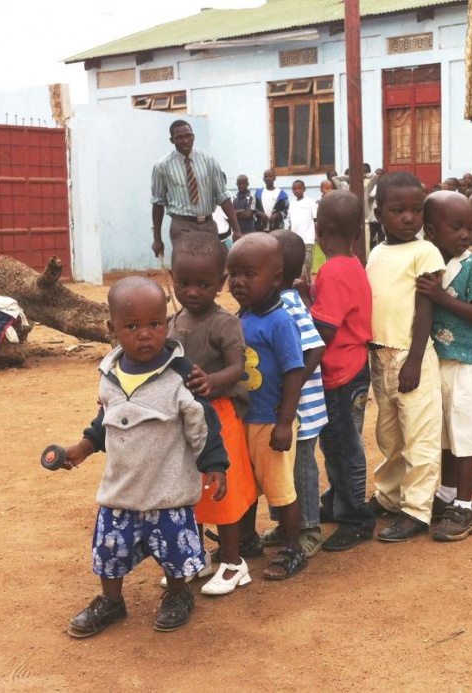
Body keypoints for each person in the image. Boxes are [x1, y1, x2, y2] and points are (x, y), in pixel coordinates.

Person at [59, 276, 229, 637]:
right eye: (132, 326)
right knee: (109, 553)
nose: (145, 334)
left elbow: (203, 421)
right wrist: (82, 449)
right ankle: (111, 602)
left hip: (168, 491)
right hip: (121, 491)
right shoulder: (109, 374)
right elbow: (105, 422)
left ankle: (179, 594)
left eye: (155, 324)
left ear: (166, 323)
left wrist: (214, 465)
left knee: (175, 554)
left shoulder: (180, 375)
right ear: (113, 328)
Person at [166, 233, 254, 596]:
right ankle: (196, 556)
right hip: (184, 420)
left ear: (220, 283)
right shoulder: (171, 322)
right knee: (190, 490)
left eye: (204, 285)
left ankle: (234, 563)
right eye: (184, 283)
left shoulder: (224, 323)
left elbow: (238, 368)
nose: (192, 292)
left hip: (219, 416)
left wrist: (211, 380)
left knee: (222, 490)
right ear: (172, 278)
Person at [365, 172, 445, 542]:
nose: (409, 218)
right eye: (398, 211)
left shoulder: (425, 251)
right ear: (379, 212)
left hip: (412, 358)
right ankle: (390, 495)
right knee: (390, 435)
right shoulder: (377, 252)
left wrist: (414, 358)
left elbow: (425, 307)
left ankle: (417, 509)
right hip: (381, 356)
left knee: (420, 435)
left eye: (416, 210)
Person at [297, 191, 376, 551]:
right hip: (348, 369)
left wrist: (303, 302)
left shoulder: (332, 270)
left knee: (345, 446)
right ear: (357, 233)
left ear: (319, 229)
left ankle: (356, 516)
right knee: (337, 443)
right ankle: (340, 498)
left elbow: (324, 330)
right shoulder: (353, 264)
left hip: (342, 373)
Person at [227, 233, 308, 579]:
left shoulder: (281, 321)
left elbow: (294, 372)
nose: (238, 282)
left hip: (270, 422)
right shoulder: (240, 317)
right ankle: (246, 542)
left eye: (249, 274)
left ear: (276, 279)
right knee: (244, 486)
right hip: (243, 418)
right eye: (233, 274)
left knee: (279, 489)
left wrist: (286, 422)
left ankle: (293, 549)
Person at [416, 191, 472, 541]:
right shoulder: (426, 261)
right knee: (445, 435)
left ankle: (465, 506)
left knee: (463, 437)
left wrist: (442, 298)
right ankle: (447, 495)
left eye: (469, 227)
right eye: (455, 227)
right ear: (431, 231)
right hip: (437, 363)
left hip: (465, 365)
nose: (465, 235)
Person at [257, 229, 328, 557]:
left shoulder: (289, 304)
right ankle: (286, 524)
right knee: (279, 469)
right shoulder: (267, 305)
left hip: (301, 409)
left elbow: (315, 348)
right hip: (281, 408)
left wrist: (293, 388)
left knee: (301, 467)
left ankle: (309, 527)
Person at [151, 120, 242, 257]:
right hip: (182, 226)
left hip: (208, 225)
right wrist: (157, 239)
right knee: (187, 268)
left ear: (193, 136)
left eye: (188, 135)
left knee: (211, 267)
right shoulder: (162, 167)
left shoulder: (209, 161)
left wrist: (237, 230)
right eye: (179, 137)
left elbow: (223, 197)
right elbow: (158, 204)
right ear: (172, 140)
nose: (185, 141)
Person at [287, 180, 317, 277]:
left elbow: (315, 219)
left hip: (307, 239)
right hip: (295, 240)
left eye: (299, 188)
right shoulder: (292, 204)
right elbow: (290, 222)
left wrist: (317, 235)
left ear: (304, 189)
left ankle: (307, 286)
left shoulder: (310, 202)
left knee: (306, 264)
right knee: (296, 264)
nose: (297, 191)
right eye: (294, 189)